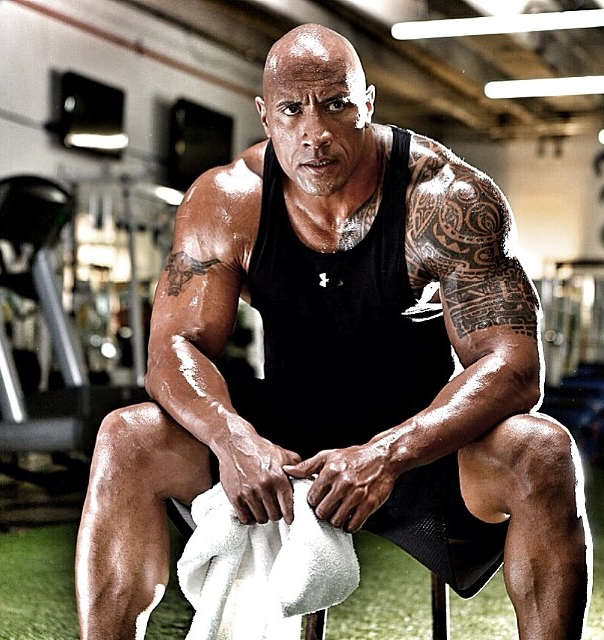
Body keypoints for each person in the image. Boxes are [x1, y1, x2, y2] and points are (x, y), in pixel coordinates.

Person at [75, 23, 592, 640]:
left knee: (543, 449)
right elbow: (172, 350)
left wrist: (388, 453)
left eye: (337, 104)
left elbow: (513, 366)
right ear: (266, 116)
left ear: (367, 105)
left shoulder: (445, 198)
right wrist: (232, 438)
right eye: (293, 110)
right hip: (278, 446)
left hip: (417, 445)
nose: (314, 133)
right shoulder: (228, 201)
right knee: (124, 438)